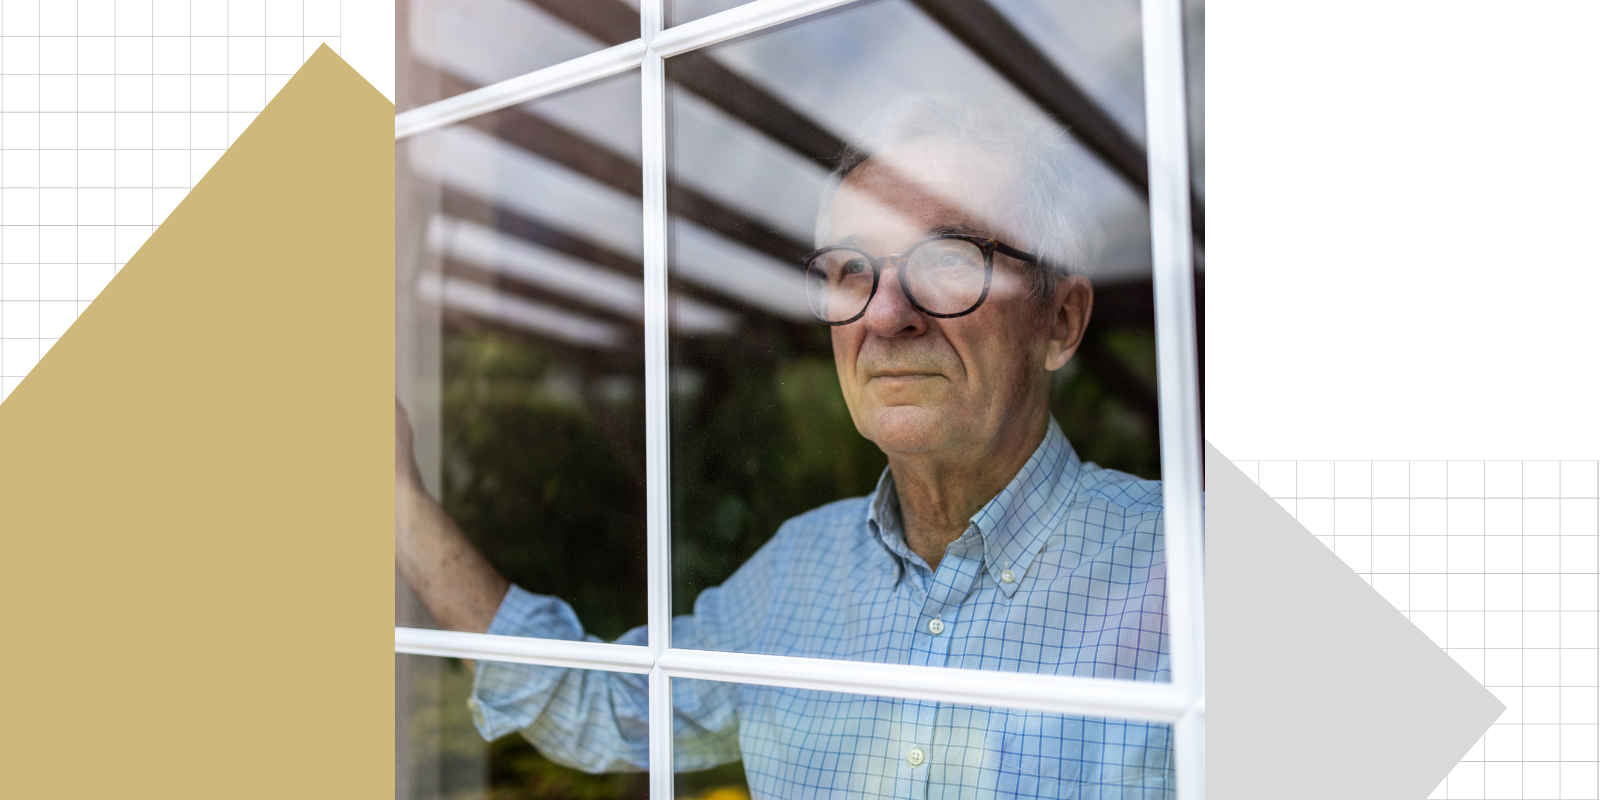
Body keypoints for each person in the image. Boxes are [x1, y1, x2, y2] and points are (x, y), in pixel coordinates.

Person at [396, 94, 1173, 798]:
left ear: (1061, 323)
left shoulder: (1207, 579)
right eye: (850, 271)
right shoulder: (795, 572)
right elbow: (604, 710)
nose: (885, 314)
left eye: (949, 260)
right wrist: (397, 502)